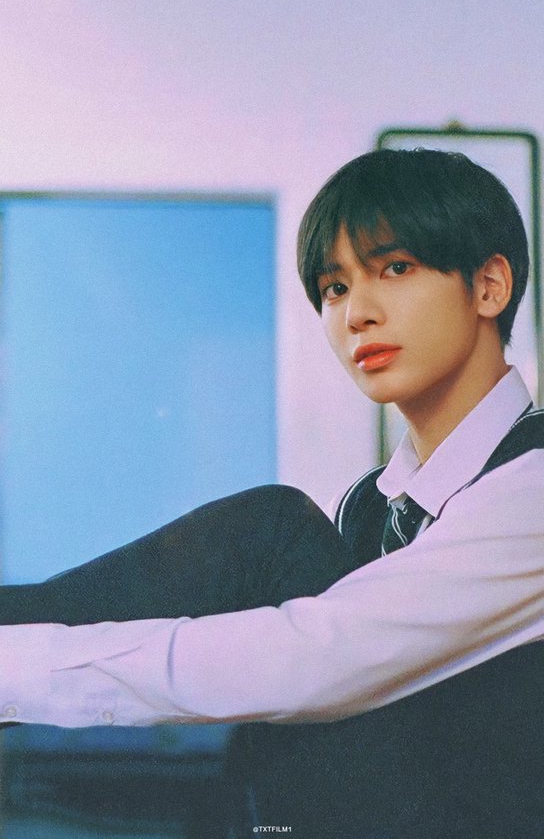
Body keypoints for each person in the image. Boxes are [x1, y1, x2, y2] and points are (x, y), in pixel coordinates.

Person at [0, 148, 542, 839]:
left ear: (489, 286)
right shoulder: (371, 505)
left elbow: (318, 660)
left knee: (272, 533)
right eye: (335, 288)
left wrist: (18, 667)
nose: (356, 314)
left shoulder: (533, 486)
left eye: (395, 269)